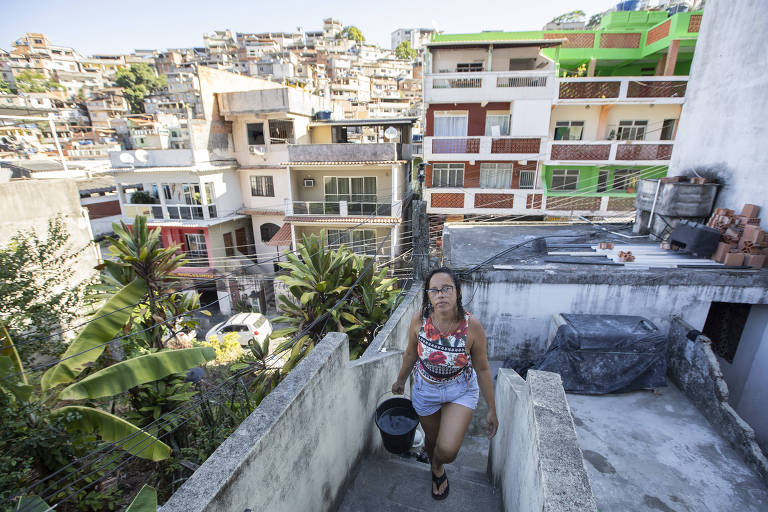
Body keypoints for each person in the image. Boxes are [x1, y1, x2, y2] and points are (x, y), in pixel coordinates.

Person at [391, 267, 498, 500]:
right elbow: (411, 353)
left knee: (447, 450)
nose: (441, 294)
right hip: (425, 388)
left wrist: (492, 408)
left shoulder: (472, 327)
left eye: (446, 288)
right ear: (428, 295)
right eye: (434, 290)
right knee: (432, 440)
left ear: (457, 292)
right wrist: (400, 380)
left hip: (460, 390)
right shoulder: (419, 320)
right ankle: (435, 469)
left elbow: (482, 367)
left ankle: (438, 465)